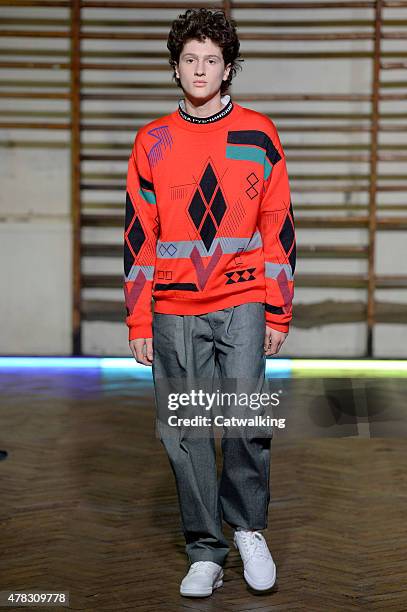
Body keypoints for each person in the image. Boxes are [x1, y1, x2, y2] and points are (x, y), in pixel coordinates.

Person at [123, 8, 296, 597]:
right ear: (176, 68)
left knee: (244, 419)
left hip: (245, 297)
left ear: (229, 69)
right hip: (173, 307)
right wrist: (138, 314)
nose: (200, 69)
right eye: (190, 59)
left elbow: (279, 227)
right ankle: (205, 549)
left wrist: (278, 309)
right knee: (188, 428)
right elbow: (137, 236)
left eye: (212, 60)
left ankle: (247, 528)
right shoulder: (152, 140)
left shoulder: (258, 132)